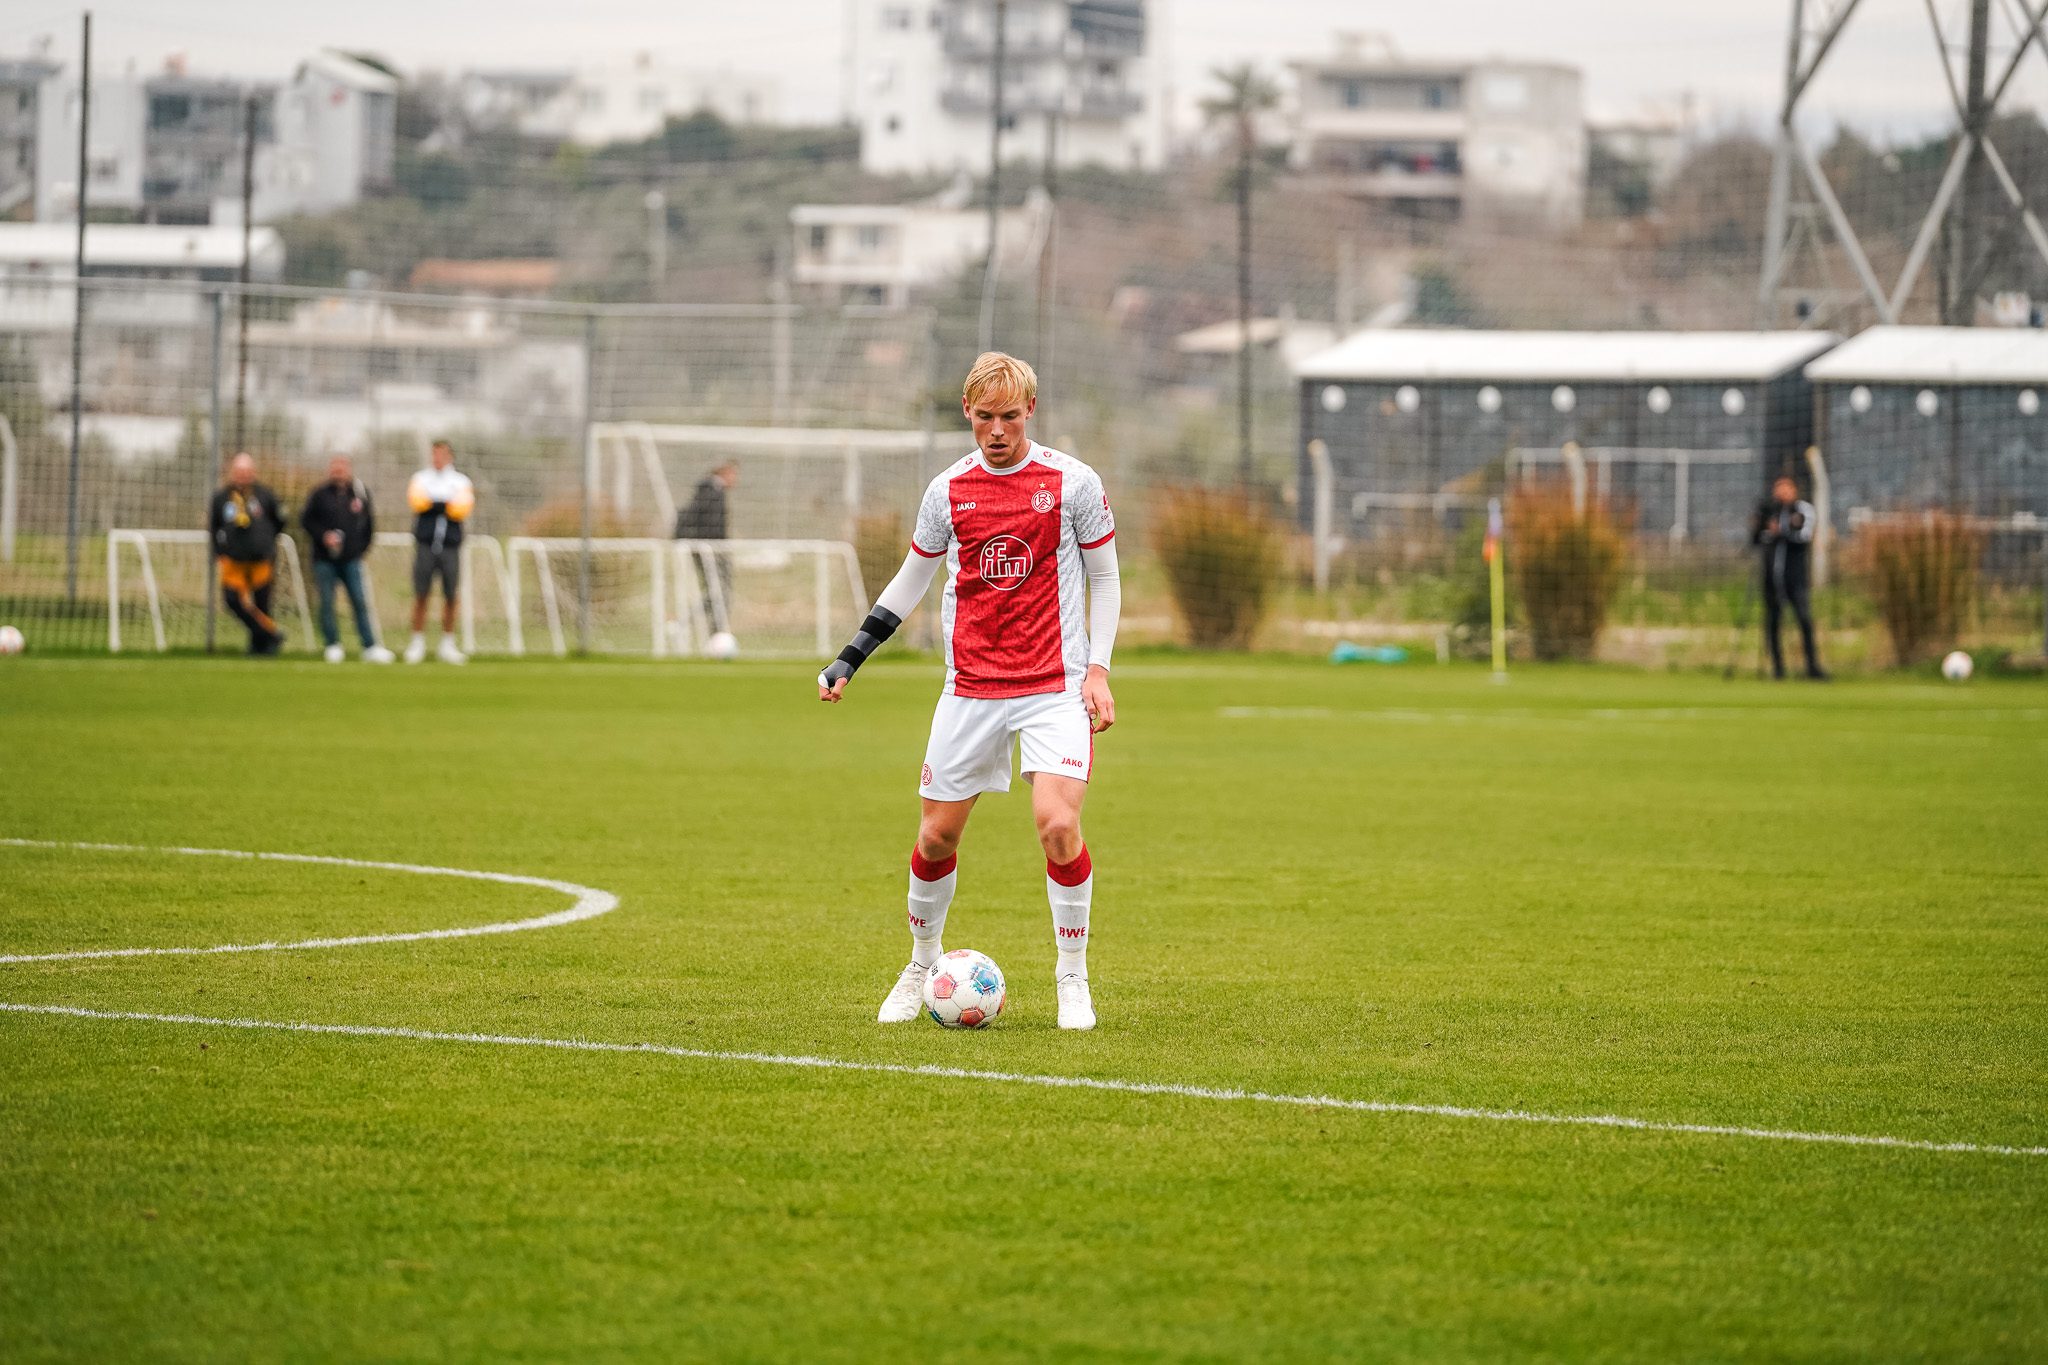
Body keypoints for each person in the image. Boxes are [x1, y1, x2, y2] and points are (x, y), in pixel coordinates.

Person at [818, 352, 1121, 1031]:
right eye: (985, 417)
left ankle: (1073, 978)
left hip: (1053, 686)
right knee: (934, 835)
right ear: (967, 413)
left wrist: (1097, 668)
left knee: (1059, 825)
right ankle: (923, 963)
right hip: (972, 688)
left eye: (1010, 417)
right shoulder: (947, 491)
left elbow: (1105, 576)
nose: (997, 431)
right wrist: (850, 657)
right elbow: (911, 580)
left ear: (1030, 413)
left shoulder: (1071, 482)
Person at [301, 455, 393, 664]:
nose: (338, 471)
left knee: (360, 602)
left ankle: (370, 646)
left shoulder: (359, 493)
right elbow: (306, 521)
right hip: (324, 560)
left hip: (352, 559)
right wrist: (324, 536)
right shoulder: (319, 494)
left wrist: (360, 550)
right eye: (334, 467)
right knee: (326, 602)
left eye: (342, 467)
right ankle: (332, 644)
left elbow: (369, 525)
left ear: (349, 469)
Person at [207, 452, 288, 655]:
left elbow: (279, 522)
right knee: (233, 601)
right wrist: (219, 551)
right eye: (239, 471)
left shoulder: (265, 495)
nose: (242, 475)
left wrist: (265, 541)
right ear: (232, 472)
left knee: (262, 603)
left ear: (253, 472)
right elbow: (213, 527)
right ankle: (270, 633)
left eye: (246, 471)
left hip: (261, 559)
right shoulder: (221, 498)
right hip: (233, 560)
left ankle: (260, 646)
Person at [403, 439, 476, 665]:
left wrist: (435, 504)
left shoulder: (461, 481)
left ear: (450, 456)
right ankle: (416, 643)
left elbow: (461, 508)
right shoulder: (420, 478)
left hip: (450, 547)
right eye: (434, 454)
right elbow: (417, 502)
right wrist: (444, 504)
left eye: (442, 454)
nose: (437, 459)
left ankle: (447, 644)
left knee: (451, 596)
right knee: (421, 594)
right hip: (426, 545)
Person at [1752, 473, 1827, 681]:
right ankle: (1778, 669)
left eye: (1786, 488)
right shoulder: (1769, 510)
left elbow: (1803, 537)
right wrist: (1761, 526)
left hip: (1795, 578)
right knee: (1773, 623)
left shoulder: (1803, 509)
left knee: (1804, 620)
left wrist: (1781, 531)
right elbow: (1756, 539)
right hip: (1771, 578)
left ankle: (1812, 667)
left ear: (1794, 490)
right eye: (1779, 488)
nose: (1782, 492)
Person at [674, 461, 738, 632]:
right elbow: (697, 518)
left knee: (719, 593)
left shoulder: (713, 491)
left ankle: (713, 631)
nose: (735, 479)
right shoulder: (710, 491)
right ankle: (684, 625)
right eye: (733, 474)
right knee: (717, 592)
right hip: (709, 550)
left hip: (713, 549)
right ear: (724, 471)